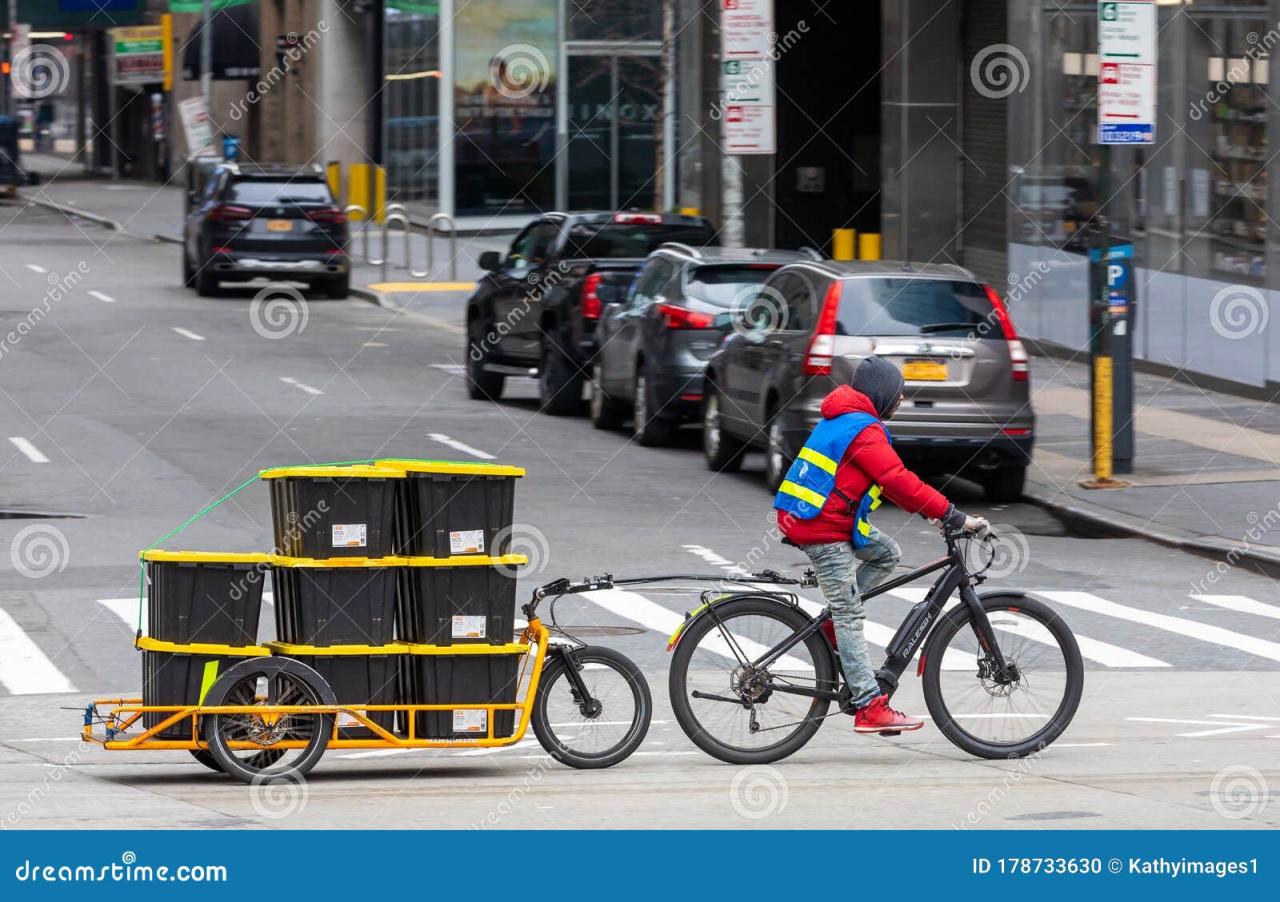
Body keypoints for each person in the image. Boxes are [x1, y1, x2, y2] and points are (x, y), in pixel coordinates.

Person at [774, 356, 984, 734]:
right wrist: (953, 515)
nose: (901, 400)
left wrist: (933, 516)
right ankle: (870, 707)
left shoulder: (845, 418)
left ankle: (832, 627)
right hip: (823, 526)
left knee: (888, 554)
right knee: (851, 613)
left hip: (824, 518)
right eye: (898, 394)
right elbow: (899, 479)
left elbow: (888, 483)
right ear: (882, 394)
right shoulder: (863, 429)